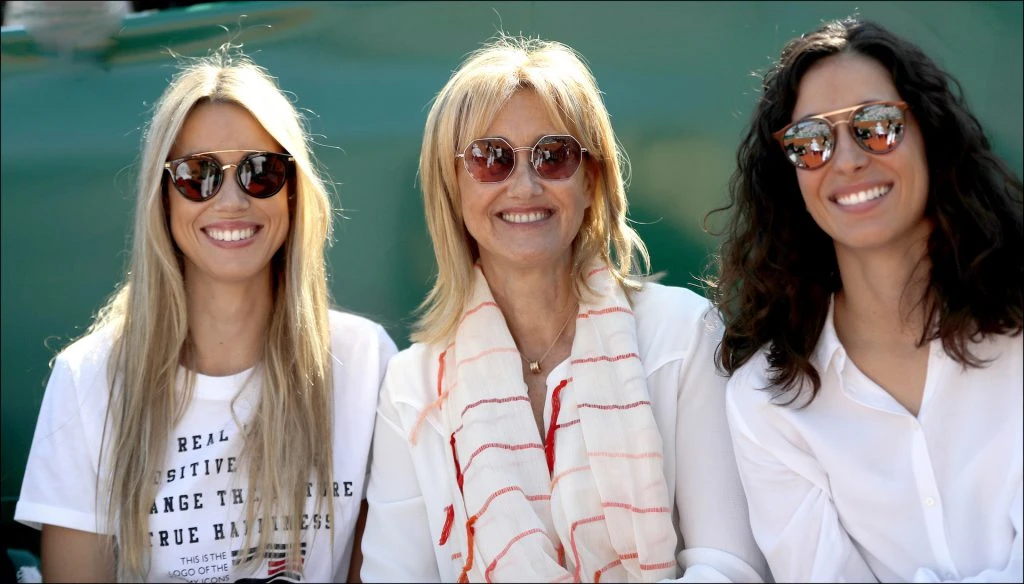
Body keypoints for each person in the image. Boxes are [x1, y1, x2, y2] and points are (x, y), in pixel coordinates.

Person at [360, 35, 769, 583]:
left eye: (553, 156)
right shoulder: (412, 387)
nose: (524, 185)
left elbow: (728, 564)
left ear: (591, 179)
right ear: (452, 188)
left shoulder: (681, 334)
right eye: (490, 159)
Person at [14, 45, 397, 582]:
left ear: (292, 193)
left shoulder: (365, 362)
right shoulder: (89, 379)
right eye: (199, 174)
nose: (233, 201)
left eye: (261, 172)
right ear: (163, 198)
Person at [709, 17, 1023, 583]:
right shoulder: (767, 402)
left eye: (877, 125)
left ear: (930, 134)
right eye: (810, 141)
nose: (847, 160)